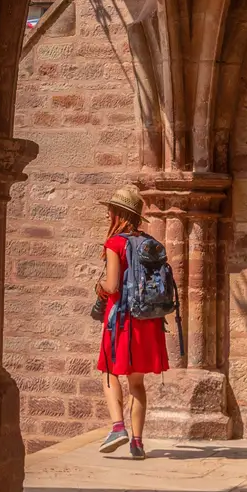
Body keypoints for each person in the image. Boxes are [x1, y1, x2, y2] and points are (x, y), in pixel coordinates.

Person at [94, 184, 169, 459]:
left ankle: (117, 427)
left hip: (122, 320)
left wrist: (98, 285)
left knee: (110, 371)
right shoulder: (148, 243)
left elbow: (112, 286)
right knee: (137, 383)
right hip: (147, 320)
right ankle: (137, 443)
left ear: (117, 214)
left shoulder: (115, 243)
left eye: (110, 211)